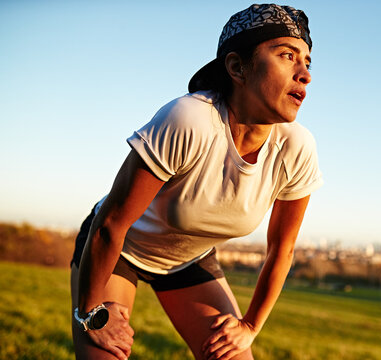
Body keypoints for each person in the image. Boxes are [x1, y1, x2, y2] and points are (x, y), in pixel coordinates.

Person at [70, 4, 322, 360]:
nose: (305, 74)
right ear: (237, 67)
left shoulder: (297, 148)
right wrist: (90, 314)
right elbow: (111, 223)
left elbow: (282, 249)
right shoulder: (190, 119)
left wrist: (249, 326)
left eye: (307, 62)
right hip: (120, 249)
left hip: (188, 262)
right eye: (287, 55)